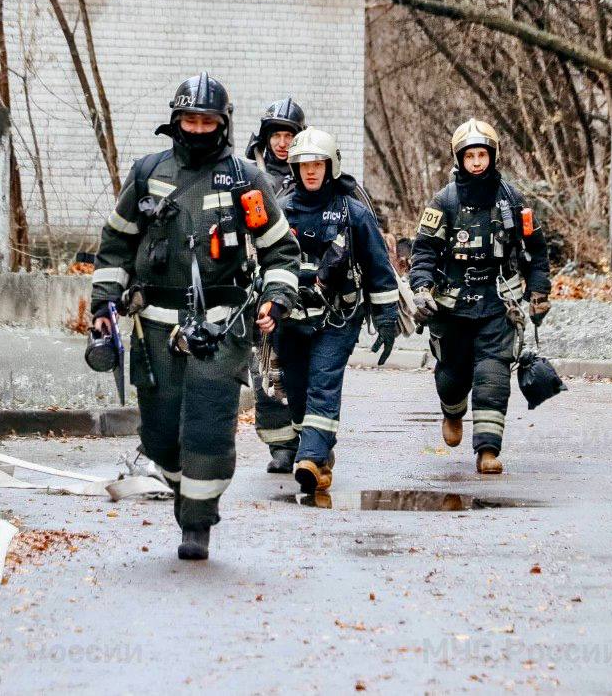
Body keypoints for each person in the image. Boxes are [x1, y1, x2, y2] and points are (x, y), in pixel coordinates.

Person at [91, 73, 301, 560]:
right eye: (190, 119)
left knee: (207, 427)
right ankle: (186, 492)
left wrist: (276, 297)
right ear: (175, 120)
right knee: (161, 437)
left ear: (223, 124)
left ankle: (197, 523)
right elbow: (116, 245)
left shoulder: (245, 178)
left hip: (221, 325)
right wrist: (104, 303)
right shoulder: (148, 173)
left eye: (208, 121)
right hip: (155, 328)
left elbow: (280, 251)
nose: (199, 128)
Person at [408, 119, 551, 475]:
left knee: (493, 375)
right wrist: (422, 288)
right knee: (451, 375)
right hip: (452, 307)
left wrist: (539, 290)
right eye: (469, 155)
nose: (476, 162)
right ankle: (452, 411)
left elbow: (535, 249)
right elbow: (424, 251)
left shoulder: (513, 200)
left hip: (497, 302)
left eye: (481, 155)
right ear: (459, 159)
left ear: (493, 156)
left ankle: (487, 450)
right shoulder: (443, 201)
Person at [274, 129, 399, 494]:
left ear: (331, 166)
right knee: (296, 389)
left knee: (323, 379)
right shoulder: (280, 212)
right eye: (303, 165)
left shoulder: (354, 213)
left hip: (338, 319)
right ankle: (320, 457)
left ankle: (309, 458)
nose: (310, 172)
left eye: (317, 164)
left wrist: (387, 319)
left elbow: (379, 268)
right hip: (292, 318)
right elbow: (261, 265)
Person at [245, 98, 307, 472]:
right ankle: (281, 446)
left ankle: (310, 436)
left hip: (312, 288)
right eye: (277, 135)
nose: (283, 143)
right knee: (266, 366)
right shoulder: (250, 178)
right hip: (263, 284)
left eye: (289, 135)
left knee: (304, 368)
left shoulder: (317, 175)